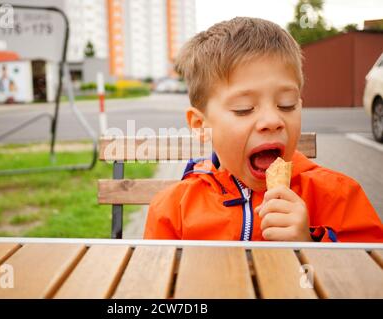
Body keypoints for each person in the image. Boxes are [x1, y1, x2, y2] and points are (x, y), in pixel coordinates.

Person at [143, 17, 383, 242]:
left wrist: (310, 244)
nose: (272, 120)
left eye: (286, 105)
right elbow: (156, 280)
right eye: (244, 108)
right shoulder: (173, 209)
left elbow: (367, 277)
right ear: (201, 126)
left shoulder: (339, 196)